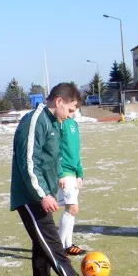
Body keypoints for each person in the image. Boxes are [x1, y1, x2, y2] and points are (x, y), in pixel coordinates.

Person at [10, 82, 111, 276]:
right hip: (30, 197)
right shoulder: (35, 121)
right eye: (71, 109)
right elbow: (28, 163)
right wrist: (43, 194)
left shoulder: (54, 122)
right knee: (55, 249)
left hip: (42, 194)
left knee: (42, 250)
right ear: (59, 101)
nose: (71, 115)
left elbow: (53, 159)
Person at [57, 107, 88, 256]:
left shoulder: (73, 123)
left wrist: (80, 173)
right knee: (73, 208)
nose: (72, 112)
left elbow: (76, 150)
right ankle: (58, 248)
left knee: (71, 210)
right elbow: (54, 149)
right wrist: (60, 173)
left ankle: (68, 245)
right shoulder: (59, 123)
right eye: (70, 108)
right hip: (64, 172)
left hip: (74, 173)